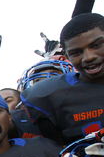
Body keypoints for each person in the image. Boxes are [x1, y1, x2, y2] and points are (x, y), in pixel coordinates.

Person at [21, 13, 104, 145]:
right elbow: (59, 151)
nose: (88, 57)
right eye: (76, 52)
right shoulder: (49, 96)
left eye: (96, 45)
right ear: (66, 55)